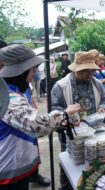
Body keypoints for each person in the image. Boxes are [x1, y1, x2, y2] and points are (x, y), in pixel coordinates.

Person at [0, 44, 81, 190]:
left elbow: (32, 114)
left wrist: (59, 121)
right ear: (20, 72)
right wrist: (65, 113)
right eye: (32, 70)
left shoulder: (16, 89)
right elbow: (37, 125)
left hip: (19, 166)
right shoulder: (7, 98)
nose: (33, 75)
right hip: (8, 173)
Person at [51, 50, 105, 190]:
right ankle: (65, 186)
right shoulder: (61, 86)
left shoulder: (96, 83)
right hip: (70, 133)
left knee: (92, 159)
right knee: (69, 161)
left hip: (93, 131)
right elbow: (54, 109)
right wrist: (67, 115)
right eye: (86, 71)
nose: (90, 74)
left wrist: (102, 107)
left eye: (92, 71)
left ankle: (89, 183)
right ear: (76, 69)